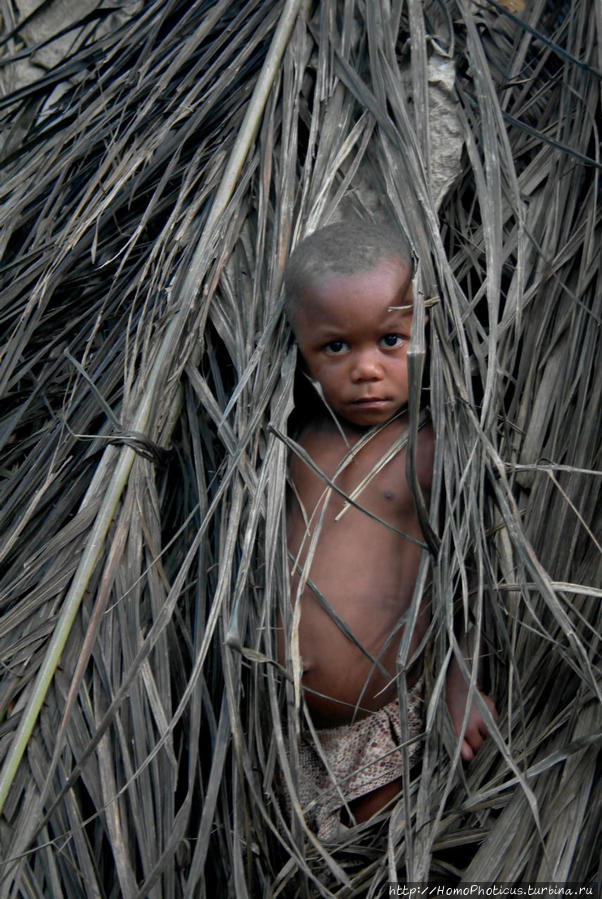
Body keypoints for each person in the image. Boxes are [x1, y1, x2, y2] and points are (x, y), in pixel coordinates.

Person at [282, 219, 496, 840]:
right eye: (337, 348)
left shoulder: (425, 451)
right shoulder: (291, 446)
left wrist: (462, 681)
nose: (367, 370)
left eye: (391, 341)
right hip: (280, 731)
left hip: (382, 728)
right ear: (300, 352)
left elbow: (469, 573)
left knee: (381, 863)